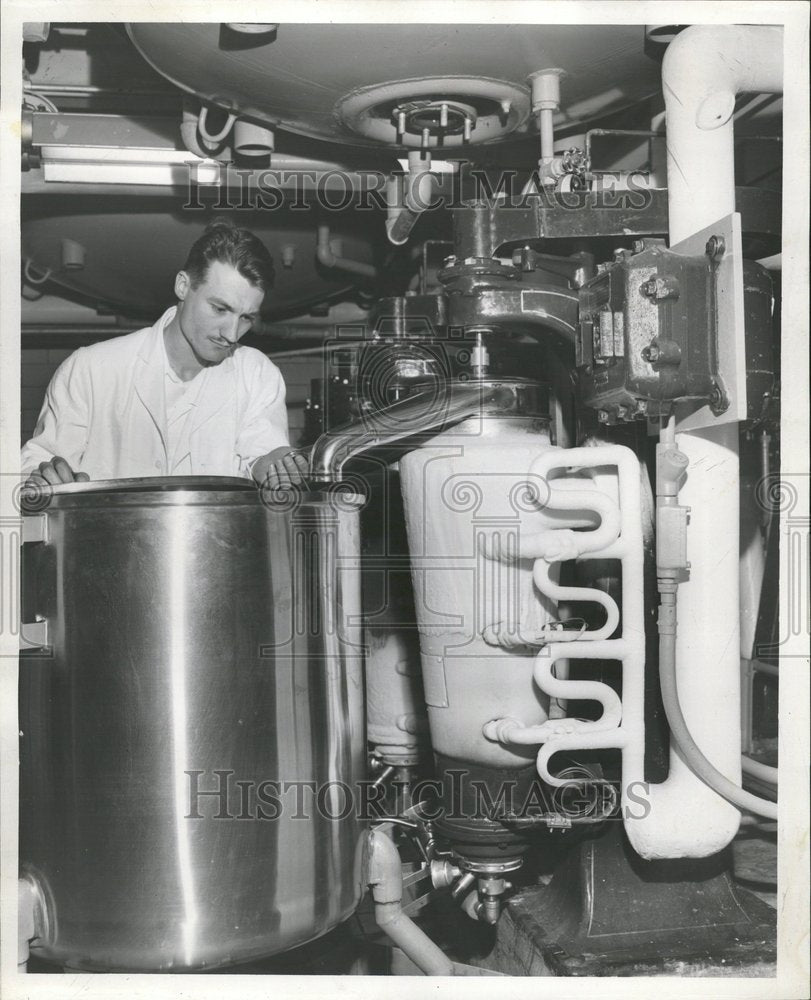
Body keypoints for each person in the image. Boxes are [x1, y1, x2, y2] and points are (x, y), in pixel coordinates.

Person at [21, 220, 309, 490]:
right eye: (220, 309)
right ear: (183, 286)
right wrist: (41, 480)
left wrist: (270, 465)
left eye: (246, 318)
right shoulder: (90, 369)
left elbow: (261, 455)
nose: (231, 334)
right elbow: (37, 464)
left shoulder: (257, 374)